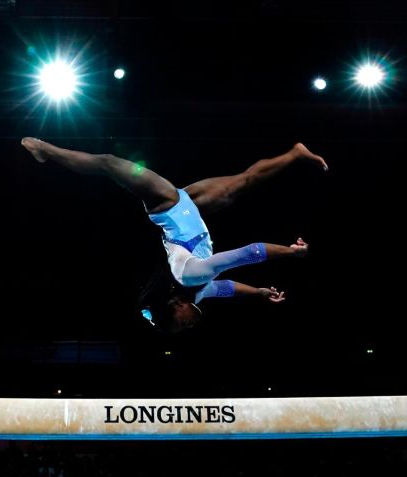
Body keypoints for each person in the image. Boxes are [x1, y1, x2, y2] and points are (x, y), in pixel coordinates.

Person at [21, 138, 327, 332]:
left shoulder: (190, 276)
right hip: (191, 207)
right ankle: (295, 152)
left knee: (109, 164)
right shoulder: (199, 292)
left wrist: (291, 252)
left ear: (175, 308)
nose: (187, 327)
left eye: (180, 326)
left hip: (166, 204)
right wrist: (259, 293)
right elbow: (228, 289)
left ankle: (45, 150)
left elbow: (247, 253)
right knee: (246, 180)